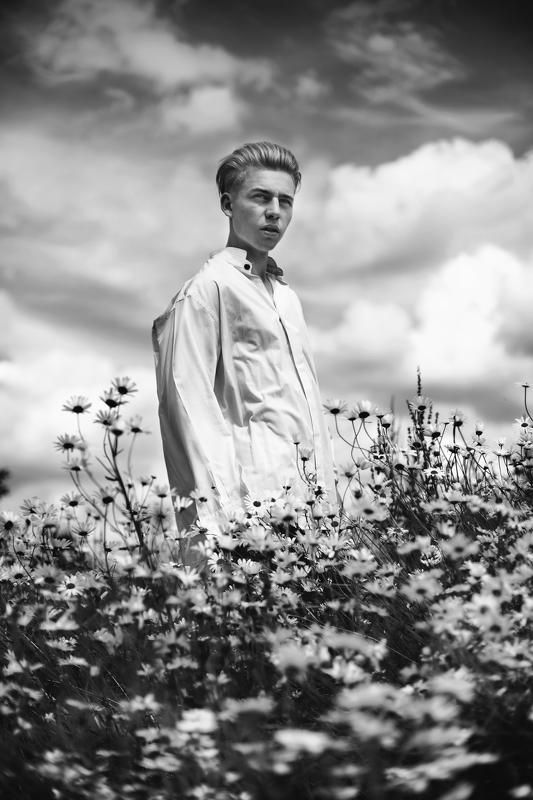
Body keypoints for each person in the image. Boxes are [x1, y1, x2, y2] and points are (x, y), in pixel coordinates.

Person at [152, 141, 337, 540]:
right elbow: (186, 408)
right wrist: (224, 526)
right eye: (260, 196)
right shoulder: (207, 290)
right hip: (250, 517)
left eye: (285, 201)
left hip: (312, 513)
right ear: (227, 203)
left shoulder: (286, 297)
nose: (275, 211)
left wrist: (330, 511)